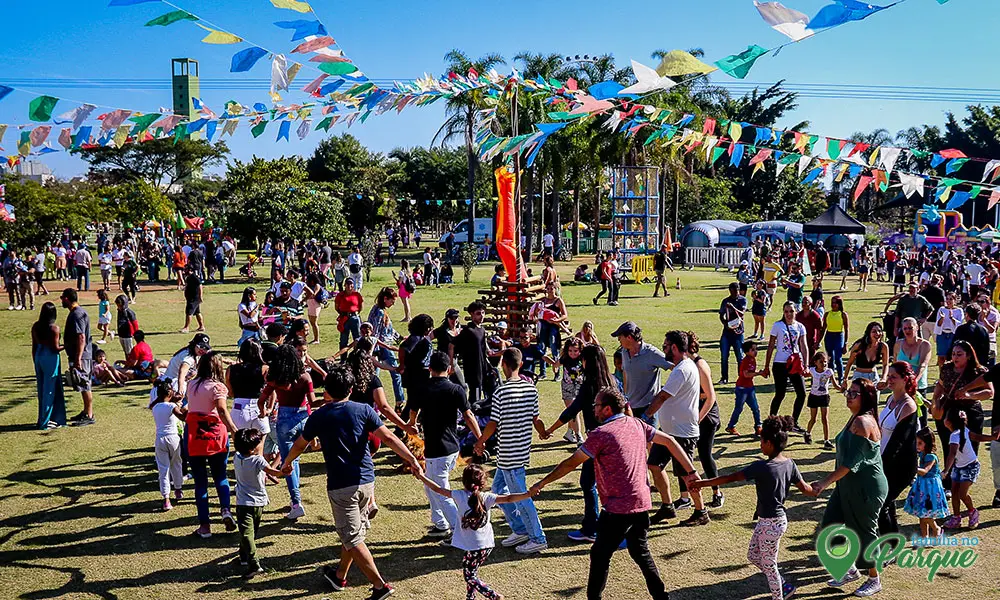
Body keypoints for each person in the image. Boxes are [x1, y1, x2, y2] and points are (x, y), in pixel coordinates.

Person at [530, 386, 697, 600]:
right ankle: (661, 596)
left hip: (619, 507)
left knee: (599, 555)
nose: (594, 409)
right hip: (642, 502)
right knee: (639, 551)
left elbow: (570, 464)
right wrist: (691, 472)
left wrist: (542, 483)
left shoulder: (601, 434)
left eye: (597, 405)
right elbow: (671, 441)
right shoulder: (637, 424)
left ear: (607, 409)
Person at [281, 366, 421, 599]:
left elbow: (300, 444)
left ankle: (379, 586)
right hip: (367, 482)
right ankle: (339, 575)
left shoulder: (320, 415)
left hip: (341, 485)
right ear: (352, 389)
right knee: (353, 534)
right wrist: (411, 458)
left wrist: (287, 463)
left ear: (326, 391)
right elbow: (388, 437)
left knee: (353, 538)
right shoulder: (364, 409)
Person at [690, 416, 811, 600]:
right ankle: (782, 584)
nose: (760, 444)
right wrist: (822, 485)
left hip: (771, 524)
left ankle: (779, 595)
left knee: (769, 566)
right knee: (753, 556)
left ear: (769, 443)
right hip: (771, 522)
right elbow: (806, 489)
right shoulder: (790, 464)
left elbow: (730, 478)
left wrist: (703, 483)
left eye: (761, 440)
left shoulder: (762, 467)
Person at [803, 378, 887, 596]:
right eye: (849, 392)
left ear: (866, 397)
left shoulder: (863, 422)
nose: (849, 396)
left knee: (865, 532)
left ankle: (874, 578)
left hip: (866, 487)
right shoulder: (854, 419)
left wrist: (823, 483)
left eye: (854, 393)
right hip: (847, 485)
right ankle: (849, 569)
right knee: (830, 524)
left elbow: (850, 463)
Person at [414, 464, 533, 600]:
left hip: (473, 546)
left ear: (464, 481)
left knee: (469, 576)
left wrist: (422, 476)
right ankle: (470, 597)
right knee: (472, 572)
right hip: (486, 544)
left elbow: (437, 489)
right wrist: (527, 494)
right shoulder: (487, 497)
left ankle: (494, 596)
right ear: (483, 482)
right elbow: (508, 498)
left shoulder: (459, 495)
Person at [473, 348, 548, 555]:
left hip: (508, 455)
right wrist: (543, 433)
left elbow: (493, 423)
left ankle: (537, 537)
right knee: (497, 493)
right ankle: (521, 529)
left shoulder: (500, 392)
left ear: (504, 365)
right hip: (520, 453)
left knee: (521, 497)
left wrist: (480, 442)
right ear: (520, 364)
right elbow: (536, 419)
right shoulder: (531, 389)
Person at [542, 344, 615, 542]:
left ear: (588, 361)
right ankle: (608, 525)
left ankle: (592, 527)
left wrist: (550, 429)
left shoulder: (589, 385)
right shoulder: (612, 382)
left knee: (588, 482)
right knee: (609, 484)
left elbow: (571, 411)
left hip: (597, 440)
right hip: (615, 439)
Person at [407, 351, 482, 540]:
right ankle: (441, 524)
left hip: (435, 449)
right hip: (450, 447)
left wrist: (412, 425)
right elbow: (468, 415)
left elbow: (413, 412)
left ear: (429, 368)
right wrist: (480, 438)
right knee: (430, 486)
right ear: (449, 370)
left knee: (441, 491)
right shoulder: (456, 389)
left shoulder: (422, 388)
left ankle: (459, 530)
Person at [643, 331, 709, 526]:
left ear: (674, 347)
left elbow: (662, 396)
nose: (663, 350)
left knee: (687, 474)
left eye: (665, 346)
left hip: (683, 433)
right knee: (654, 465)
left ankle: (701, 511)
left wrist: (645, 416)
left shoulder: (682, 370)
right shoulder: (683, 367)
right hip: (669, 432)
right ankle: (667, 506)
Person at [259, 344, 317, 521]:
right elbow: (312, 402)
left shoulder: (276, 378)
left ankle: (296, 501)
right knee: (295, 459)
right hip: (303, 419)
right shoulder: (305, 377)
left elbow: (262, 399)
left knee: (287, 462)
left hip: (284, 420)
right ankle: (295, 497)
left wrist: (263, 412)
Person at [186, 351, 238, 539]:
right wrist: (234, 430)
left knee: (200, 483)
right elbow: (222, 409)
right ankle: (225, 510)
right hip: (216, 435)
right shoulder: (218, 387)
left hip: (194, 434)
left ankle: (205, 526)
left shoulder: (191, 384)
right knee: (220, 476)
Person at [933, 339, 990, 492]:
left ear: (969, 356)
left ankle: (965, 480)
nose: (955, 357)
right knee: (948, 445)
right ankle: (948, 482)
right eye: (953, 354)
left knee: (968, 447)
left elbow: (989, 392)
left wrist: (969, 395)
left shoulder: (979, 371)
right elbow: (940, 385)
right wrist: (936, 400)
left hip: (971, 411)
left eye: (959, 354)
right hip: (949, 410)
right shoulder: (946, 368)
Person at [233, 428, 286, 578]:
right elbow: (273, 472)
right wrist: (284, 471)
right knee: (250, 533)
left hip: (244, 503)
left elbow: (270, 471)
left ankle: (254, 564)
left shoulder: (237, 457)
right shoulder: (257, 459)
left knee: (247, 534)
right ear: (252, 447)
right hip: (258, 503)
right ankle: (244, 557)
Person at [876, 361, 919, 536]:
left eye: (894, 377)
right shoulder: (890, 399)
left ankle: (890, 547)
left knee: (882, 504)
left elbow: (899, 443)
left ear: (905, 379)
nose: (890, 380)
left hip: (900, 467)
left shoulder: (908, 406)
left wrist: (880, 465)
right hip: (883, 461)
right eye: (889, 376)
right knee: (887, 504)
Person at [941, 410, 996, 530]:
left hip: (971, 466)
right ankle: (956, 518)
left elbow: (952, 453)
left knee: (962, 494)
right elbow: (976, 437)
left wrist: (945, 470)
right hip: (959, 466)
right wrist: (992, 437)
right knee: (954, 491)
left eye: (945, 417)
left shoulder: (955, 435)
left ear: (949, 422)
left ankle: (972, 512)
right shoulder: (961, 430)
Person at [614, 321, 673, 426]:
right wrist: (625, 396)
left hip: (648, 409)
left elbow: (676, 368)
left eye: (620, 337)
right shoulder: (624, 351)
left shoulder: (651, 353)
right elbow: (625, 373)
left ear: (629, 337)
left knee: (648, 441)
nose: (618, 340)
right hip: (630, 408)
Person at [761, 302, 809, 430]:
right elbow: (771, 345)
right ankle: (771, 422)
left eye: (791, 311)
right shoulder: (778, 325)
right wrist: (766, 365)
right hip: (780, 363)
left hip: (795, 363)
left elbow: (804, 346)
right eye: (786, 311)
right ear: (783, 312)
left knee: (802, 393)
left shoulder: (800, 327)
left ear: (796, 312)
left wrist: (806, 364)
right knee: (780, 394)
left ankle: (793, 422)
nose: (789, 314)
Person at [903, 427, 951, 538]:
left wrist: (911, 467)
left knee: (925, 514)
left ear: (927, 443)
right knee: (921, 513)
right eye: (916, 442)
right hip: (921, 485)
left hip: (930, 487)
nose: (917, 446)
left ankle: (936, 528)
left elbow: (924, 471)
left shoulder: (931, 456)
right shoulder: (922, 454)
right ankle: (925, 538)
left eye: (920, 443)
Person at [61, 288, 95, 426]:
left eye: (63, 297)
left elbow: (81, 337)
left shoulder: (77, 314)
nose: (61, 300)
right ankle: (86, 411)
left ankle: (89, 415)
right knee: (82, 384)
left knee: (84, 384)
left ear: (67, 298)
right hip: (80, 354)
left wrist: (78, 358)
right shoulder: (76, 313)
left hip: (82, 355)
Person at [149, 379, 184, 511]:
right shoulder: (171, 406)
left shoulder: (155, 407)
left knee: (163, 469)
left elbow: (154, 404)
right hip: (173, 438)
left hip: (160, 439)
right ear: (169, 394)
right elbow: (181, 416)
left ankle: (166, 499)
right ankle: (178, 490)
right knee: (177, 463)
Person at [368, 287, 405, 408]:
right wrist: (375, 350)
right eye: (392, 301)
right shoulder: (379, 312)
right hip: (383, 347)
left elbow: (388, 330)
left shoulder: (379, 310)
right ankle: (400, 401)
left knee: (374, 377)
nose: (393, 304)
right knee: (396, 372)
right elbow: (376, 333)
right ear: (385, 299)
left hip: (381, 346)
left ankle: (374, 404)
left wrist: (400, 338)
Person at [32, 302, 66, 430]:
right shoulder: (53, 328)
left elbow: (34, 345)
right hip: (50, 357)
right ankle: (46, 421)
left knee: (42, 389)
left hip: (39, 355)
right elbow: (55, 348)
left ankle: (43, 418)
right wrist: (67, 345)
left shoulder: (36, 326)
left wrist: (35, 360)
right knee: (50, 389)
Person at [454, 301, 490, 412]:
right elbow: (453, 345)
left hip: (483, 369)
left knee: (483, 398)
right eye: (478, 313)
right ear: (472, 314)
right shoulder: (468, 331)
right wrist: (451, 362)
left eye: (483, 313)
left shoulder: (482, 330)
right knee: (475, 398)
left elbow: (484, 352)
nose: (482, 316)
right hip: (473, 370)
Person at [227, 339, 269, 434]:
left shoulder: (231, 369)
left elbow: (231, 393)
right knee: (259, 446)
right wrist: (269, 407)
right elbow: (271, 389)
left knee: (240, 445)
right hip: (258, 407)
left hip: (238, 408)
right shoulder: (265, 369)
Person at [804, 351, 840, 450]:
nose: (823, 364)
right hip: (814, 396)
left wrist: (843, 388)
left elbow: (835, 385)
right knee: (813, 418)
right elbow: (804, 374)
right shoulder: (812, 371)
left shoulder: (829, 372)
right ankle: (807, 433)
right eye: (821, 362)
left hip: (824, 397)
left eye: (825, 362)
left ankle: (826, 440)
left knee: (825, 419)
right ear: (815, 362)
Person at [727, 340, 762, 437]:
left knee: (755, 408)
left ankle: (758, 426)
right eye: (753, 350)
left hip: (750, 388)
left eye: (756, 349)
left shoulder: (752, 359)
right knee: (739, 408)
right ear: (747, 352)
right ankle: (731, 426)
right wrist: (758, 373)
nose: (756, 351)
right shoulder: (745, 361)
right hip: (742, 389)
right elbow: (745, 374)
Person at [718, 282, 746, 384]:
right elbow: (721, 315)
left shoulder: (742, 300)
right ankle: (724, 377)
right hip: (727, 333)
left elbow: (742, 313)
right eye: (731, 291)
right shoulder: (725, 301)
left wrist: (733, 307)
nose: (733, 293)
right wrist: (725, 324)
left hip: (738, 333)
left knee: (740, 356)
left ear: (739, 290)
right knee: (724, 356)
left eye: (735, 291)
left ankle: (741, 377)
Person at [953, 304, 990, 372]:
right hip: (979, 365)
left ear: (966, 314)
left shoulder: (961, 329)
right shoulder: (984, 330)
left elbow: (954, 346)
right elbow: (986, 350)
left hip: (964, 365)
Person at [934, 292, 963, 367]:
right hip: (942, 334)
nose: (948, 301)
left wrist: (952, 318)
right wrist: (942, 318)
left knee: (951, 356)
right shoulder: (942, 309)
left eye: (951, 299)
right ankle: (941, 375)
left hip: (953, 335)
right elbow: (938, 324)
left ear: (955, 300)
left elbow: (959, 324)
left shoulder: (959, 310)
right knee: (941, 356)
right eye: (947, 299)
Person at [335, 277, 363, 349]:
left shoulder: (357, 295)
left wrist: (354, 313)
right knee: (343, 339)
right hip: (344, 318)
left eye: (351, 284)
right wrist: (343, 314)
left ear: (353, 285)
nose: (349, 286)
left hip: (355, 317)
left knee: (357, 338)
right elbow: (337, 307)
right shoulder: (340, 295)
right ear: (345, 285)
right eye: (347, 284)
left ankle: (358, 356)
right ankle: (343, 358)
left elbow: (360, 307)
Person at [180, 267, 205, 333]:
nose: (184, 271)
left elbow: (200, 285)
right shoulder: (188, 277)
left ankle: (186, 327)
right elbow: (187, 286)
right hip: (190, 297)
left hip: (194, 298)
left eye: (185, 270)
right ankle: (201, 326)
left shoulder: (194, 277)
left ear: (190, 270)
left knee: (189, 312)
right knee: (197, 312)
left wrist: (200, 296)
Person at [303, 273, 325, 345]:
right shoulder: (309, 286)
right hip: (310, 304)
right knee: (311, 323)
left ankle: (316, 339)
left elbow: (314, 294)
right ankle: (313, 338)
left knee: (314, 322)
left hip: (315, 304)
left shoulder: (317, 285)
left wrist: (305, 298)